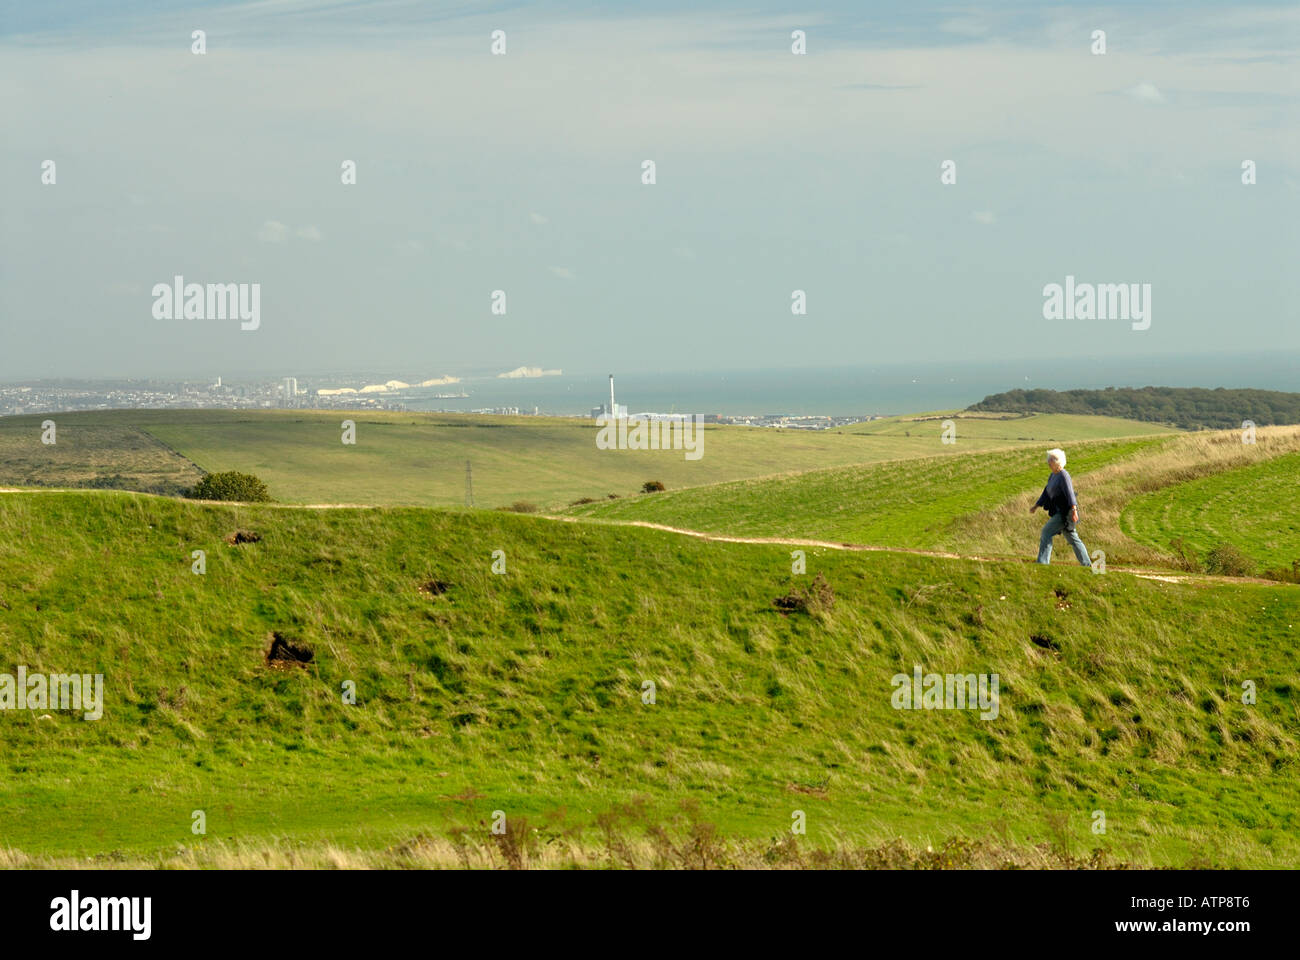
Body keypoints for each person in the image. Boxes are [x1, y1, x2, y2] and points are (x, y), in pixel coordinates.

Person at [1029, 448, 1091, 567]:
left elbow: (1070, 494)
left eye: (1051, 460)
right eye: (1048, 460)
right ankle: (1087, 565)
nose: (1048, 462)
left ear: (1058, 461)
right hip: (1059, 511)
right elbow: (1046, 493)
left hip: (1065, 513)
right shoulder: (1053, 476)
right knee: (1073, 539)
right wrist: (1036, 506)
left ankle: (1042, 563)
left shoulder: (1064, 475)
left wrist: (1074, 511)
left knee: (1046, 531)